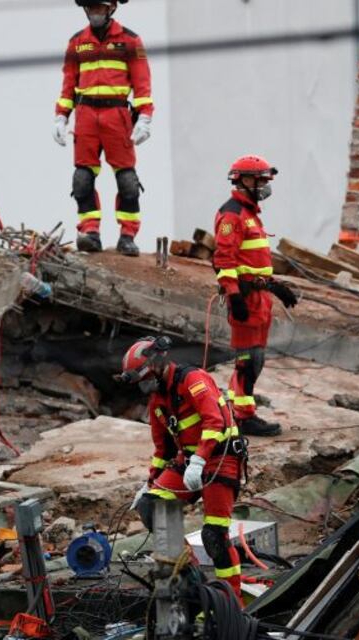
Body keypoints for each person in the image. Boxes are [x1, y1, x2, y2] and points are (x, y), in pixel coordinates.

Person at [118, 336, 246, 600]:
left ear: (157, 363)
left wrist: (199, 460)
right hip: (188, 462)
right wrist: (149, 484)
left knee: (214, 536)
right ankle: (193, 583)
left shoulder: (193, 380)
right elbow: (162, 451)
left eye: (145, 378)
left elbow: (215, 422)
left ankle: (231, 601)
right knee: (152, 507)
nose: (144, 386)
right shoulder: (157, 402)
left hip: (221, 458)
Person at [54, 0, 154, 257]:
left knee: (128, 180)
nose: (95, 13)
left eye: (100, 8)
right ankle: (90, 232)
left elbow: (142, 83)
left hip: (116, 116)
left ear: (111, 9)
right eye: (91, 8)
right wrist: (61, 117)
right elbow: (68, 84)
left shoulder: (130, 41)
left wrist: (144, 117)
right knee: (82, 179)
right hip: (86, 116)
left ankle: (128, 235)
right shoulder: (77, 42)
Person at [212, 155, 299, 437]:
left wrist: (277, 288)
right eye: (260, 180)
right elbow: (224, 260)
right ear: (245, 180)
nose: (264, 186)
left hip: (260, 299)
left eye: (265, 180)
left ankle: (235, 411)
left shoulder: (250, 214)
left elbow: (254, 263)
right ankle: (243, 416)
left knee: (254, 359)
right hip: (246, 299)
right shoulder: (232, 215)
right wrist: (234, 296)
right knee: (249, 361)